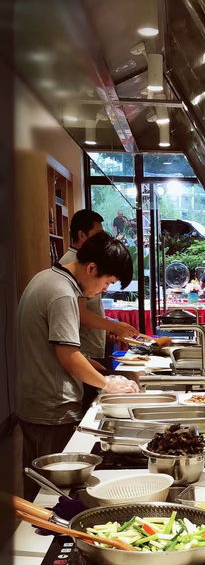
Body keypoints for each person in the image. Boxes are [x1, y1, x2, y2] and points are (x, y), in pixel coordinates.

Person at [16, 232, 139, 498]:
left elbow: (55, 346)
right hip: (52, 405)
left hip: (33, 399)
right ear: (91, 268)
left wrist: (85, 359)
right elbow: (68, 357)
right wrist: (109, 384)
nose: (103, 290)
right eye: (107, 283)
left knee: (38, 483)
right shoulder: (63, 293)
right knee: (51, 493)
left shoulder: (46, 278)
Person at [60, 209, 139, 409]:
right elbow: (79, 315)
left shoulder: (81, 266)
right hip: (80, 352)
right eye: (108, 283)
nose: (105, 288)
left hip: (86, 352)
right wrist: (113, 326)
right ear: (81, 235)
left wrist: (109, 329)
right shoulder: (71, 267)